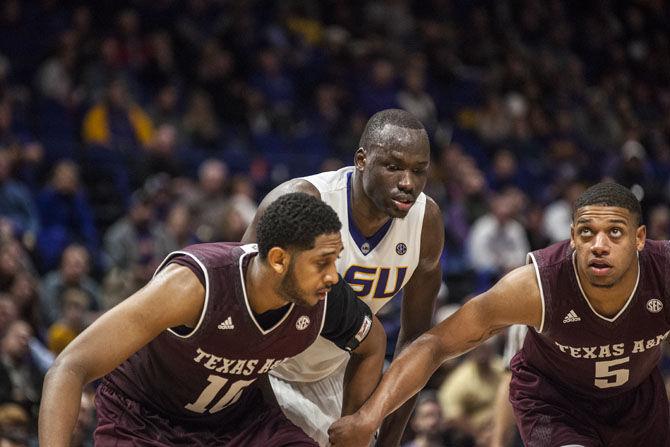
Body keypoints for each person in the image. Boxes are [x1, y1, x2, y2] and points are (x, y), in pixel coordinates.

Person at [329, 182, 670, 447]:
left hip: (638, 398)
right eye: (586, 232)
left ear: (639, 238)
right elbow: (435, 345)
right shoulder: (537, 287)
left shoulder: (664, 272)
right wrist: (367, 419)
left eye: (614, 232)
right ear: (572, 238)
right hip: (557, 401)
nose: (599, 244)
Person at [39, 192, 386, 446]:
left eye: (335, 261)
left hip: (237, 422)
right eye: (322, 263)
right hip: (145, 420)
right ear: (279, 260)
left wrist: (357, 420)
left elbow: (373, 344)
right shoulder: (194, 284)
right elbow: (69, 367)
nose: (332, 276)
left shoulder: (324, 297)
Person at [243, 108, 445, 446]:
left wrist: (389, 440)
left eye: (419, 170)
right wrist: (262, 406)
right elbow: (238, 306)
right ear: (362, 160)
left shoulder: (426, 222)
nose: (408, 183)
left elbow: (415, 344)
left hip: (339, 373)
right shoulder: (302, 201)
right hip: (265, 369)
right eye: (393, 167)